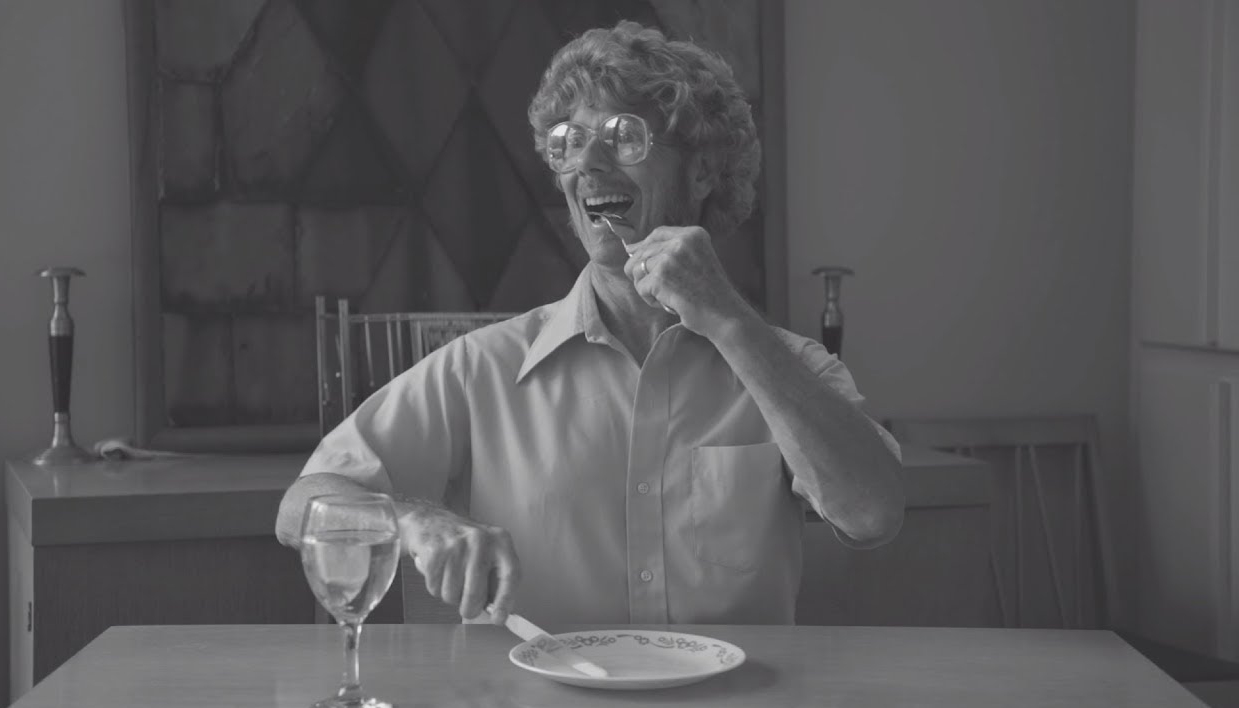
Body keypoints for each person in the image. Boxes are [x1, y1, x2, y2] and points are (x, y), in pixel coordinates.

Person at [276, 21, 903, 627]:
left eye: (623, 136)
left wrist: (732, 322)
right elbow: (304, 504)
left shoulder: (796, 369)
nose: (588, 164)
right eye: (570, 142)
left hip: (733, 692)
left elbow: (874, 515)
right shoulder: (480, 369)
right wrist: (416, 520)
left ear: (703, 171)